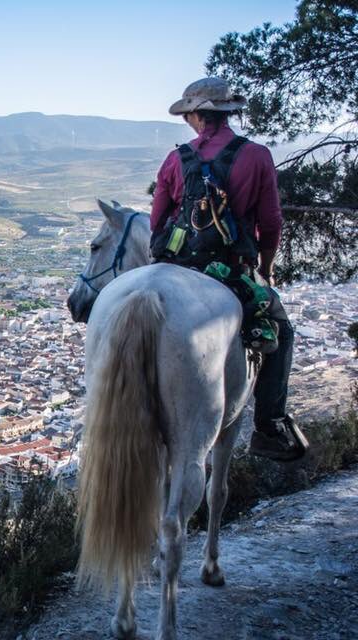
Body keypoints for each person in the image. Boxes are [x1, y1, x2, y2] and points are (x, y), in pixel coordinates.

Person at [150, 77, 308, 462]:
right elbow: (271, 222)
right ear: (226, 114)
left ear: (194, 116)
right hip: (230, 270)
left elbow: (157, 222)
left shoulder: (176, 159)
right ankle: (269, 426)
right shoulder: (256, 156)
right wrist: (266, 269)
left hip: (179, 267)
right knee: (282, 331)